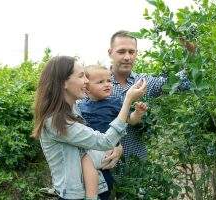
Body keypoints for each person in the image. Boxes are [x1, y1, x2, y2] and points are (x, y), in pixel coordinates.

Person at [31, 56, 147, 200]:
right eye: (81, 76)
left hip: (99, 184)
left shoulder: (74, 108)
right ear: (63, 82)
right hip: (76, 195)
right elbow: (103, 142)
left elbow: (93, 140)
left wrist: (118, 147)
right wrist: (128, 100)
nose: (86, 81)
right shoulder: (56, 121)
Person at [78, 65, 148, 199]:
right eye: (100, 82)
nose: (107, 84)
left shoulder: (115, 102)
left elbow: (130, 120)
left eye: (109, 80)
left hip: (107, 152)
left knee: (106, 184)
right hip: (91, 150)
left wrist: (138, 113)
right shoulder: (80, 106)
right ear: (86, 88)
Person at [107, 30, 168, 162]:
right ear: (110, 52)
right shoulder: (97, 83)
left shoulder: (144, 82)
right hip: (103, 168)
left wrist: (191, 52)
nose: (127, 57)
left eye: (131, 52)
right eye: (121, 51)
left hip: (138, 168)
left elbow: (177, 82)